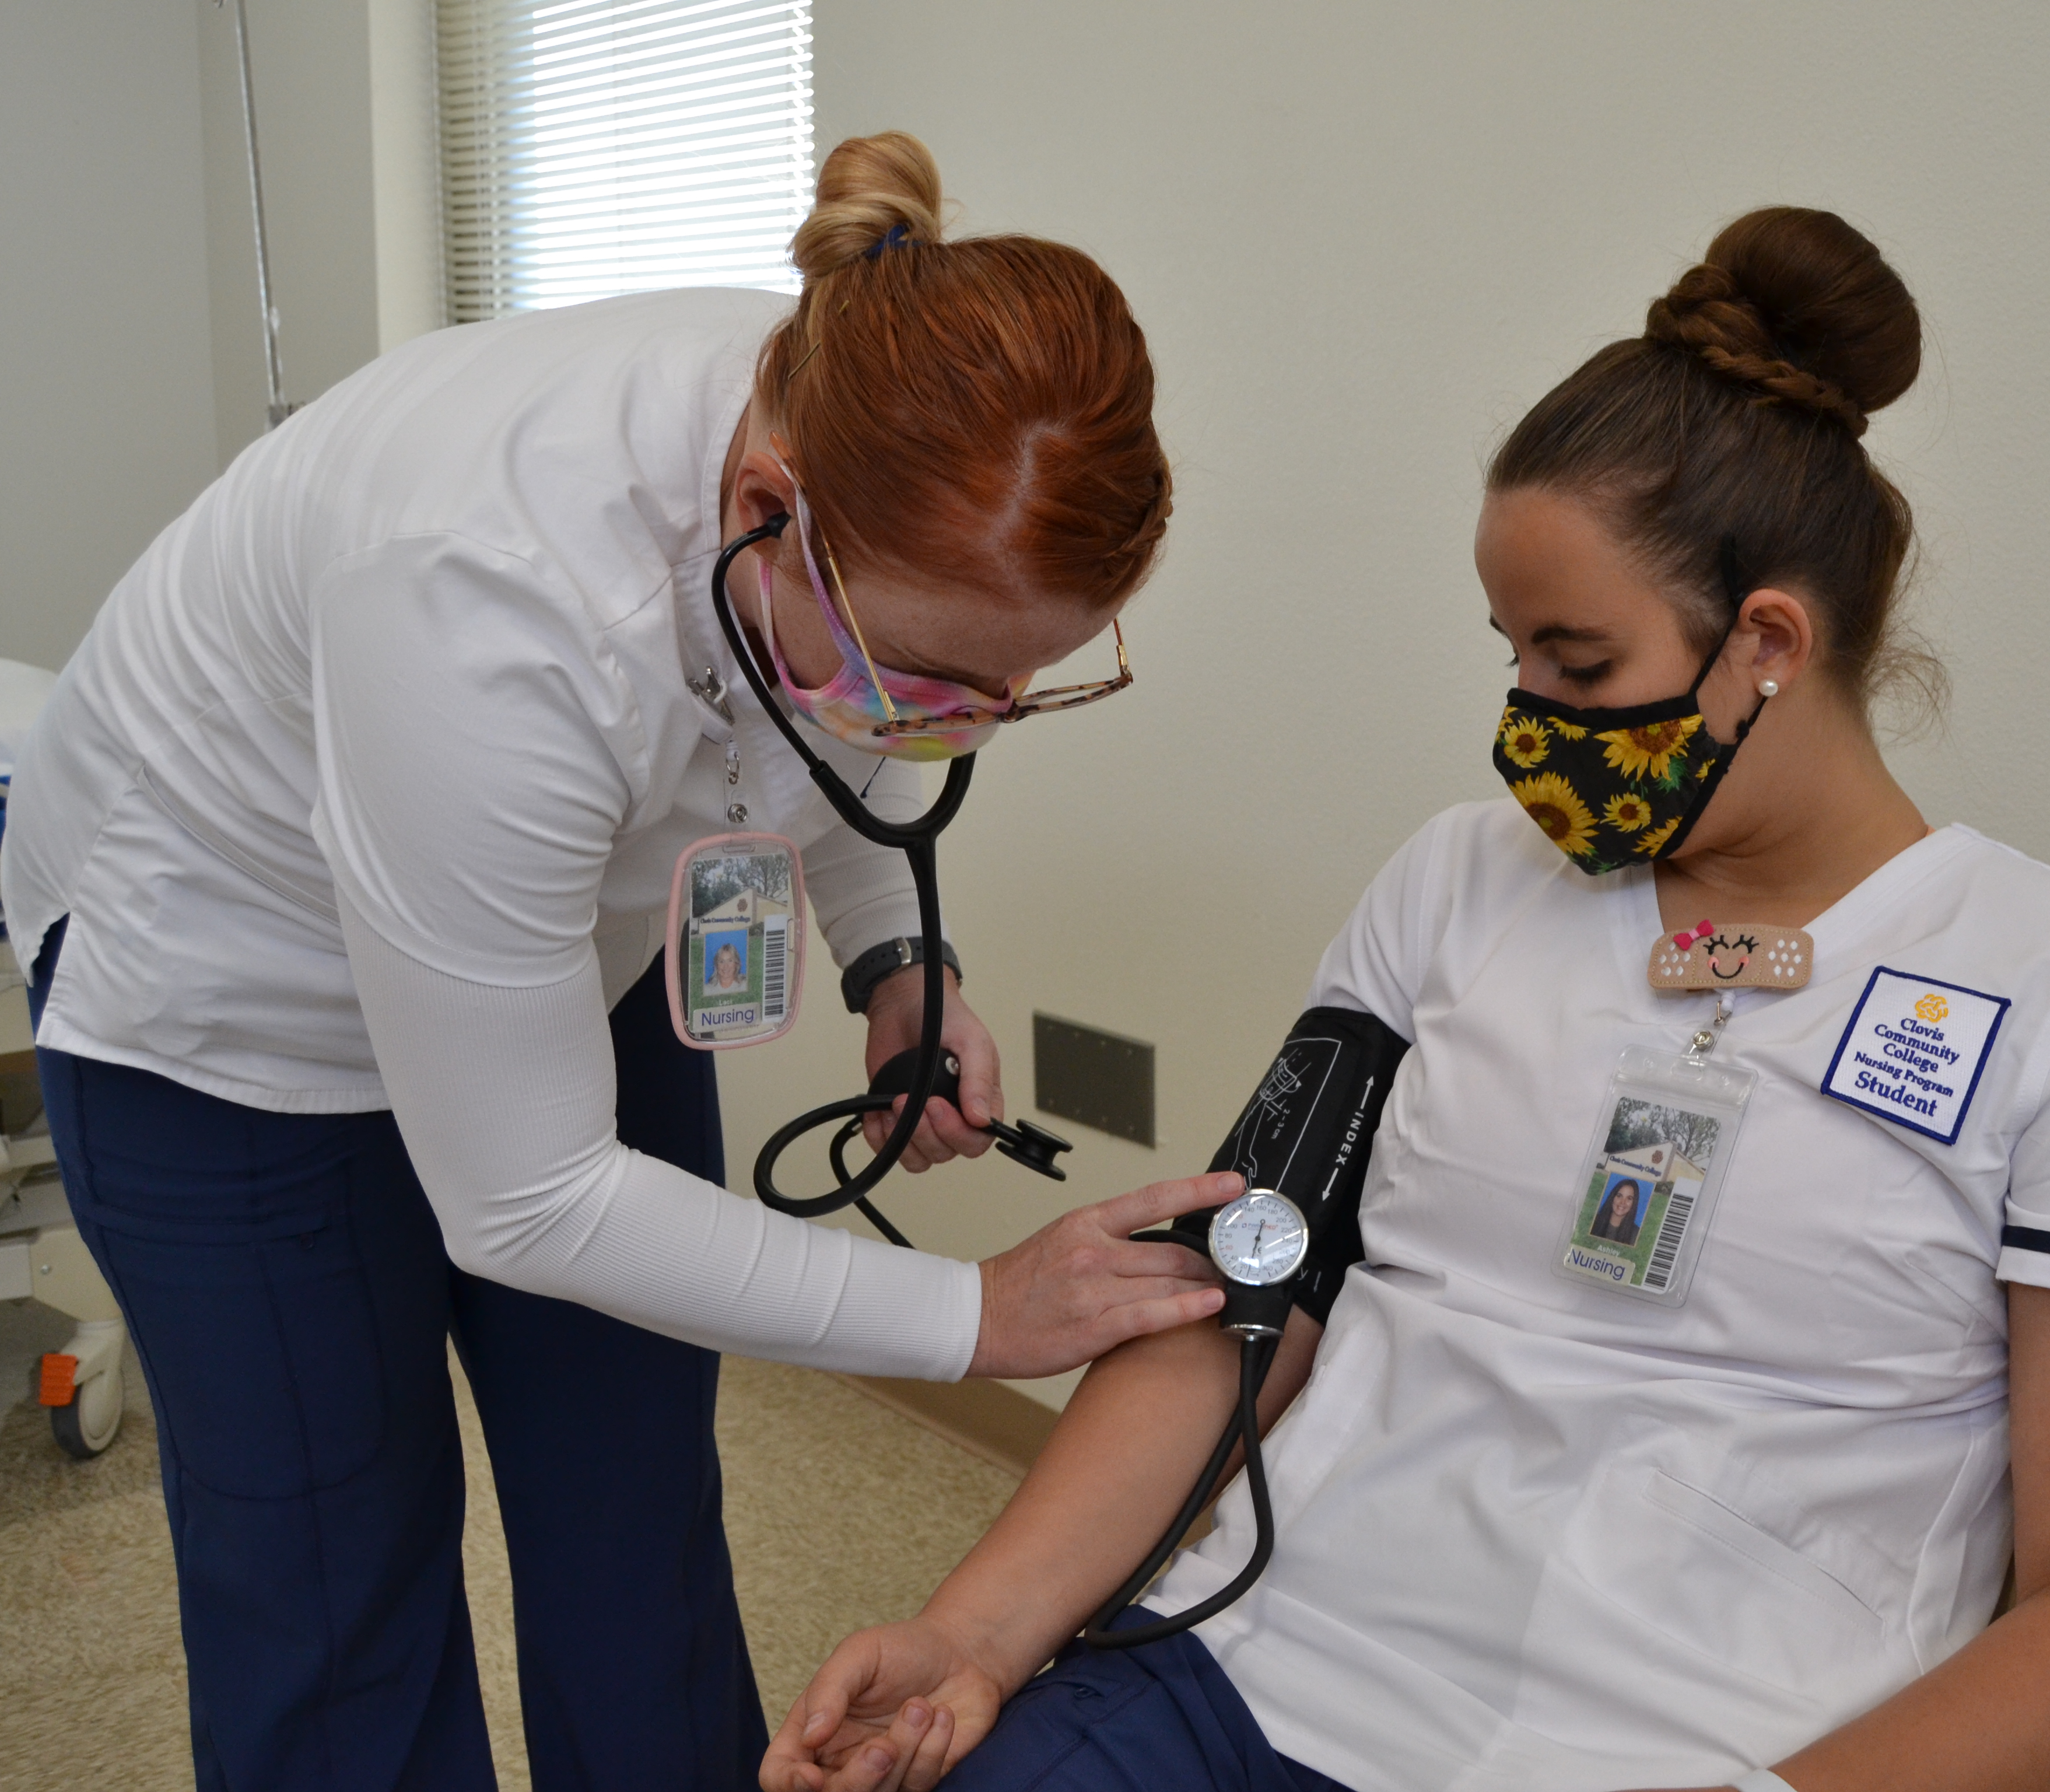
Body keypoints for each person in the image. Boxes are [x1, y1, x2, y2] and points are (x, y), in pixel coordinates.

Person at [761, 206, 2050, 1792]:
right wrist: (978, 1636)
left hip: (1696, 1755)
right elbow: (1243, 1296)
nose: (1528, 724)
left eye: (1577, 666)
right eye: (1513, 661)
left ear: (1766, 641)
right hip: (1252, 1681)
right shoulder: (1452, 886)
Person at [0, 132, 1233, 1792]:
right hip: (229, 1001)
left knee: (632, 1500)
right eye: (946, 682)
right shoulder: (484, 589)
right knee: (329, 1578)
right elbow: (528, 1204)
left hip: (555, 934)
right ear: (760, 514)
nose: (966, 732)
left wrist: (891, 961)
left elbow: (831, 718)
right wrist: (975, 1314)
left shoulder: (865, 409)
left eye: (1019, 688)